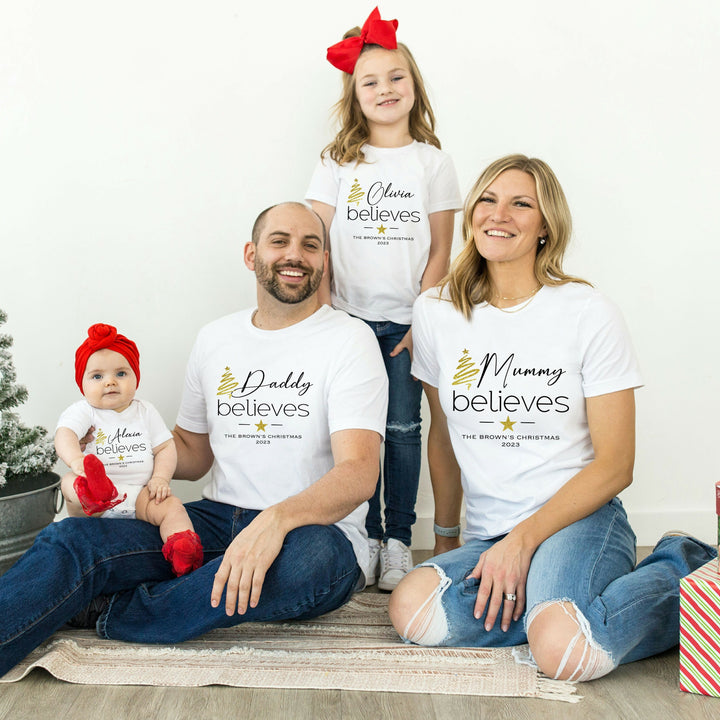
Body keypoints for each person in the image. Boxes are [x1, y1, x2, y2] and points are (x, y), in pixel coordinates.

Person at [0, 202, 388, 677]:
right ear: (252, 255)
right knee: (73, 538)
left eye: (311, 245)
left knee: (311, 564)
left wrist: (275, 521)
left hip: (309, 534)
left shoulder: (350, 339)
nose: (296, 254)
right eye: (280, 241)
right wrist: (112, 450)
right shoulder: (215, 338)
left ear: (324, 261)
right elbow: (193, 452)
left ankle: (109, 611)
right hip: (215, 519)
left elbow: (359, 473)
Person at [387, 155, 717, 681]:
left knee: (564, 656)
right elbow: (445, 435)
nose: (500, 215)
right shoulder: (437, 311)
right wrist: (449, 542)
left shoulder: (587, 311)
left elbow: (616, 465)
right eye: (489, 200)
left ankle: (682, 567)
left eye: (522, 204)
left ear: (546, 226)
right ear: (472, 213)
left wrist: (524, 540)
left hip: (580, 520)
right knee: (413, 608)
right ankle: (559, 606)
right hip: (492, 535)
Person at [306, 7, 462, 590]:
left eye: (396, 77)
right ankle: (364, 536)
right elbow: (317, 241)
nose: (385, 89)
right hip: (347, 322)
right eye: (370, 81)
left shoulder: (433, 162)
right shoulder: (336, 161)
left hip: (405, 323)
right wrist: (324, 316)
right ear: (354, 94)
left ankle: (399, 540)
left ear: (414, 84)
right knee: (358, 433)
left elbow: (442, 252)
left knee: (402, 429)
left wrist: (424, 320)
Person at [56, 323, 204, 576]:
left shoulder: (145, 411)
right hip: (92, 507)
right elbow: (64, 435)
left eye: (121, 374)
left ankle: (182, 548)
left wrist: (160, 478)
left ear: (136, 377)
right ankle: (92, 490)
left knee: (173, 507)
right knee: (69, 482)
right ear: (82, 383)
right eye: (97, 376)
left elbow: (166, 447)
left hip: (139, 496)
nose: (110, 382)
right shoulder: (84, 411)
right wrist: (76, 459)